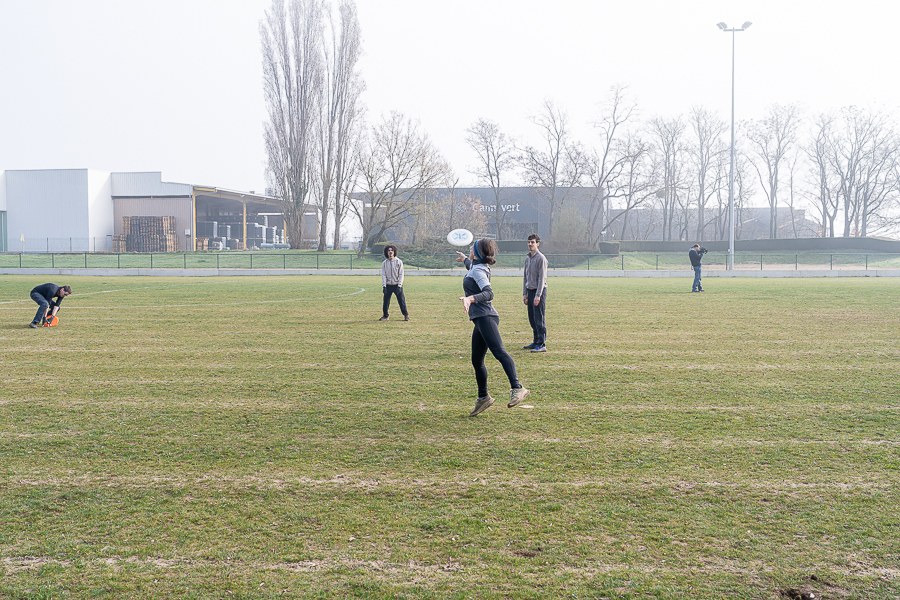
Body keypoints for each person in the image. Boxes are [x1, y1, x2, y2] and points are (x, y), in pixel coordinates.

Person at [456, 239, 530, 417]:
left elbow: (489, 293)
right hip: (480, 319)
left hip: (486, 317)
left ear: (477, 253)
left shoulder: (479, 270)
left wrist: (470, 298)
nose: (469, 250)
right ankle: (483, 397)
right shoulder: (475, 266)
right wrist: (465, 259)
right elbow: (471, 267)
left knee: (499, 352)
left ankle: (518, 388)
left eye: (471, 249)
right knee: (476, 360)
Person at [522, 233, 549, 352]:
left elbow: (542, 278)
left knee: (539, 318)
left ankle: (542, 344)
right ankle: (536, 341)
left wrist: (538, 295)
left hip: (539, 292)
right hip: (530, 291)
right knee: (532, 319)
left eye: (532, 242)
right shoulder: (527, 258)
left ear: (537, 244)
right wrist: (525, 293)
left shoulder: (541, 258)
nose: (530, 244)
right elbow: (525, 277)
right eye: (528, 242)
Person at [380, 244, 409, 321]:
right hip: (388, 285)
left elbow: (401, 274)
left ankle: (406, 315)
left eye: (392, 250)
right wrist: (384, 286)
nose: (390, 252)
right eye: (389, 250)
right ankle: (385, 316)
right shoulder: (384, 263)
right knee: (386, 302)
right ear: (386, 252)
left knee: (401, 301)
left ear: (394, 252)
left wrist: (399, 285)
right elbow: (383, 275)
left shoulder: (399, 262)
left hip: (397, 285)